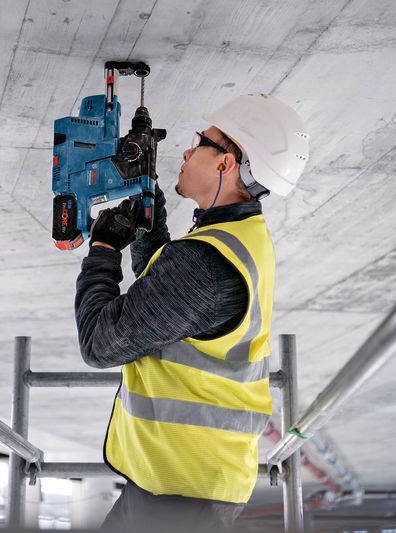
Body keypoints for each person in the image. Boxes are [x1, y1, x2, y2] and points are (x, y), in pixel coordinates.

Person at [74, 93, 309, 530]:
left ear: (226, 164)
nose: (187, 149)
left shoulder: (208, 264)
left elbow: (100, 343)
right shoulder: (237, 234)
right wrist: (147, 199)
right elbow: (164, 293)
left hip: (180, 497)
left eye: (202, 141)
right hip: (186, 485)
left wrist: (103, 251)